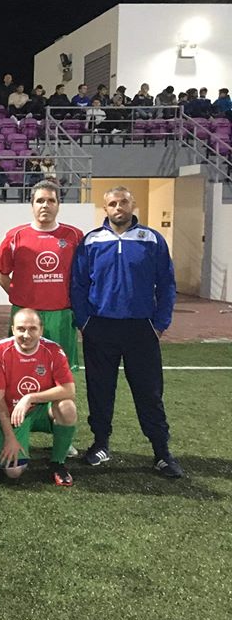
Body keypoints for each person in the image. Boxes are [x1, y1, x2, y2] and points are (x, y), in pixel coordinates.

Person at [71, 186, 182, 477]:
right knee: (99, 390)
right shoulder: (91, 241)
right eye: (112, 204)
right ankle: (100, 444)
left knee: (149, 391)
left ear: (132, 205)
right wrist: (84, 322)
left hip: (141, 329)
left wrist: (160, 324)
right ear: (105, 208)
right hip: (100, 327)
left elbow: (167, 283)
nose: (118, 208)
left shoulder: (152, 239)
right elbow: (78, 284)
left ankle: (161, 452)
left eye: (123, 202)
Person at [0, 181, 83, 369]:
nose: (45, 205)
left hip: (61, 315)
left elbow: (84, 275)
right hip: (25, 315)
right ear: (32, 205)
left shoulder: (74, 236)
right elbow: (1, 273)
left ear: (58, 205)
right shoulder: (15, 236)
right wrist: (18, 295)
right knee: (21, 368)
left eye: (51, 201)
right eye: (40, 201)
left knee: (60, 371)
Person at [0, 308, 77, 486]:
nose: (26, 335)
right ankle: (13, 438)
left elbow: (69, 390)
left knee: (67, 407)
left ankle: (58, 463)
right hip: (11, 414)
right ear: (13, 329)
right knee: (13, 471)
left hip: (40, 410)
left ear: (41, 330)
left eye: (32, 329)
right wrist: (10, 437)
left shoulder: (53, 350)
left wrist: (29, 398)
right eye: (21, 329)